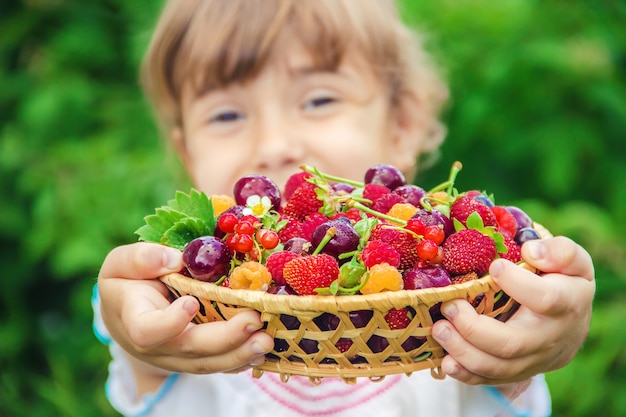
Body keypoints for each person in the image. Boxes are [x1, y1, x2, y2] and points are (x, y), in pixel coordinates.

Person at [94, 0, 595, 416]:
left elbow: (516, 354)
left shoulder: (460, 305)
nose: (276, 143)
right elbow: (145, 343)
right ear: (187, 154)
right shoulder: (186, 305)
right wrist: (134, 330)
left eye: (318, 101)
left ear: (403, 125)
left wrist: (543, 333)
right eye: (226, 113)